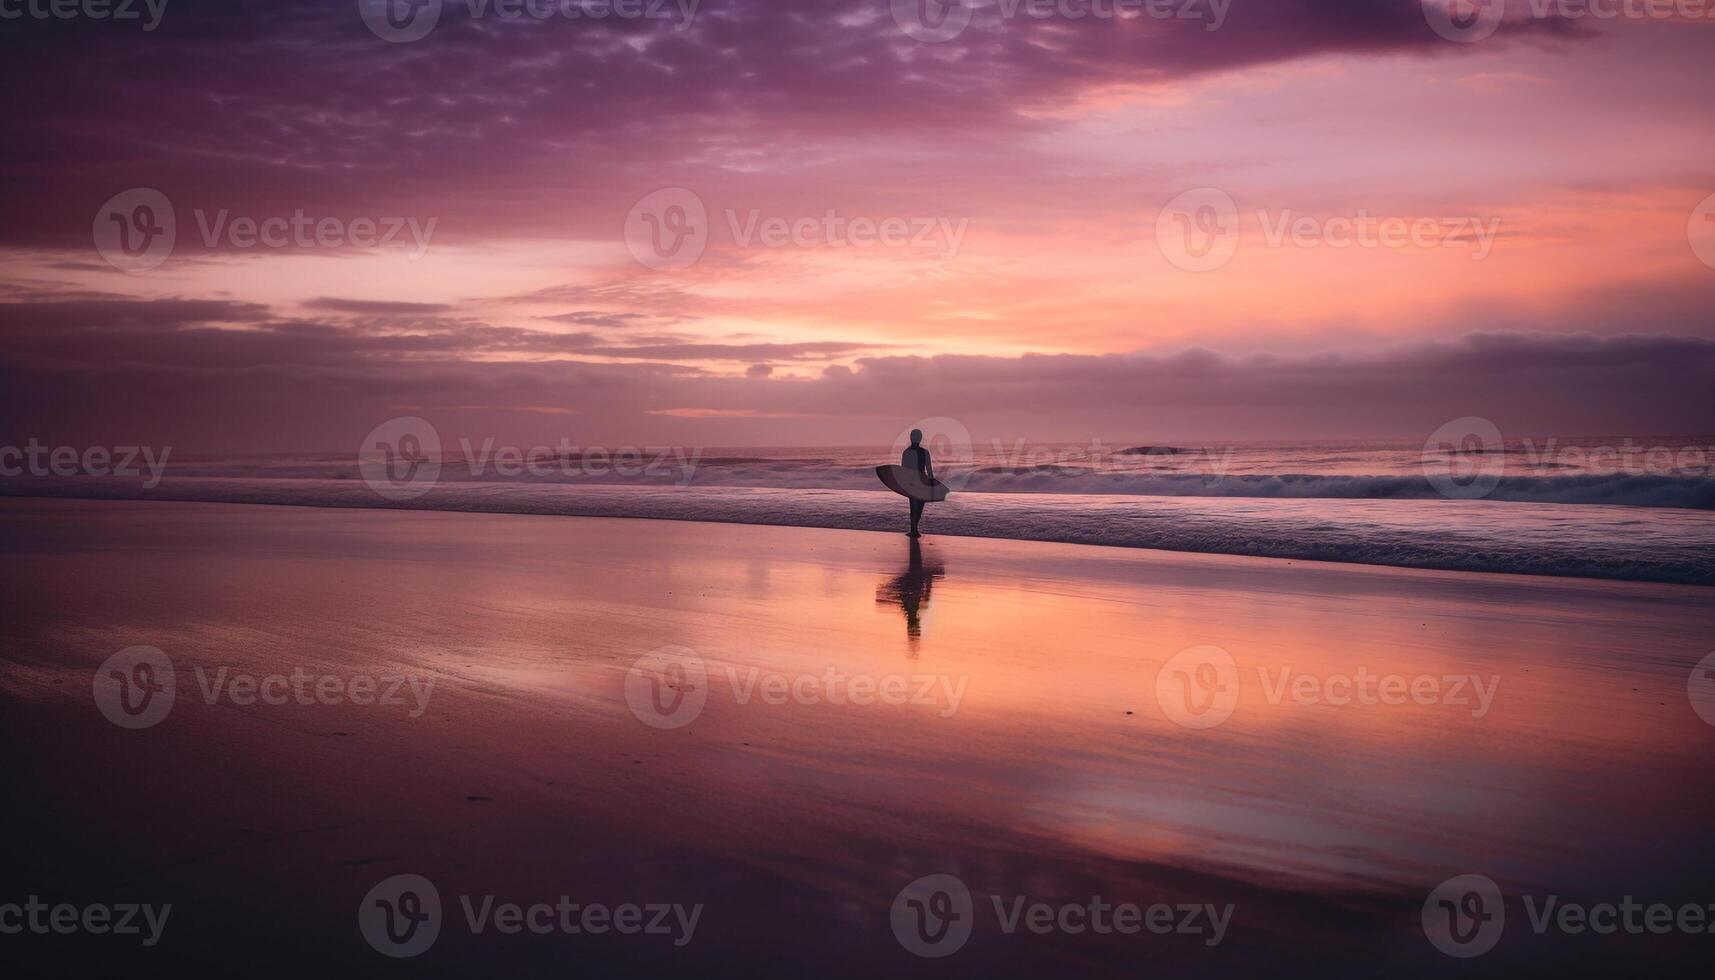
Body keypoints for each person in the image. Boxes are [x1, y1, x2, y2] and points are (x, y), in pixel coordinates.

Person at [902, 428, 933, 538]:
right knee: (919, 506)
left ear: (911, 438)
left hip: (911, 483)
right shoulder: (925, 452)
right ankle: (914, 529)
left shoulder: (906, 452)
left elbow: (903, 470)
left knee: (913, 506)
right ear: (920, 438)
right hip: (922, 482)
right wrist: (931, 483)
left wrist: (904, 485)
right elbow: (929, 470)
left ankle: (913, 529)